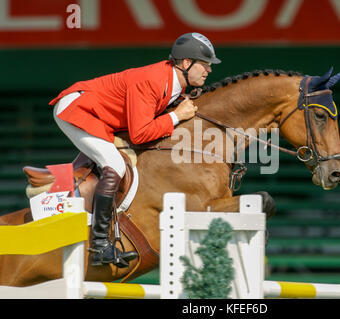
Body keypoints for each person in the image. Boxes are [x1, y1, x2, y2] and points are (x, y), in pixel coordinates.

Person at [49, 32, 221, 268]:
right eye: (205, 65)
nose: (208, 71)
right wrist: (175, 116)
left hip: (101, 117)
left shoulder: (172, 85)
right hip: (77, 109)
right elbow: (140, 134)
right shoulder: (152, 80)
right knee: (116, 164)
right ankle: (99, 245)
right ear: (186, 63)